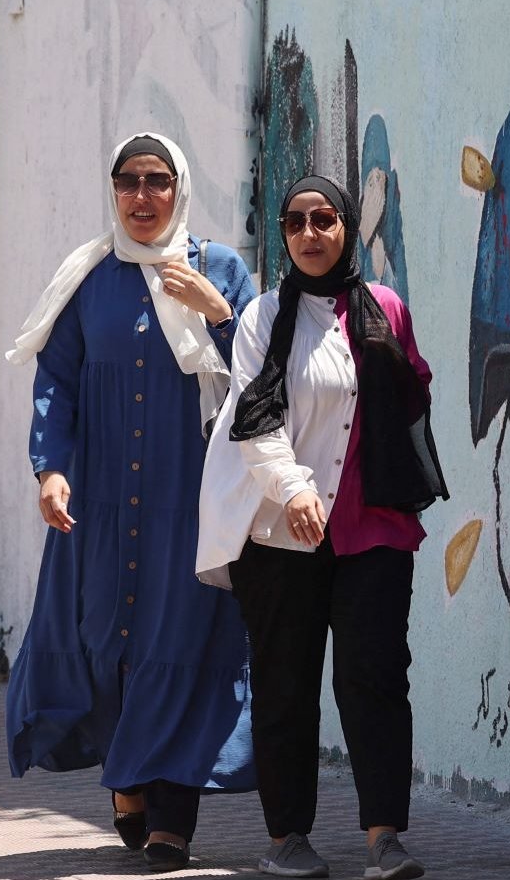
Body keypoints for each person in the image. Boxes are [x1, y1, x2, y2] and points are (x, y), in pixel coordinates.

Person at [3, 132, 257, 872]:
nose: (142, 196)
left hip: (191, 500)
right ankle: (128, 777)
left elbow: (262, 370)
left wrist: (218, 310)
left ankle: (173, 816)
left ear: (180, 188)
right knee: (105, 637)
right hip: (101, 500)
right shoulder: (88, 277)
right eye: (128, 181)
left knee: (182, 641)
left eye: (157, 180)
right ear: (113, 190)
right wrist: (50, 469)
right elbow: (55, 379)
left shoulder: (220, 268)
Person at [196, 176, 442, 880]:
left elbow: (411, 392)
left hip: (374, 528)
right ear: (283, 233)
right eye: (296, 221)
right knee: (286, 685)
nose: (310, 233)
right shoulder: (263, 317)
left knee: (376, 679)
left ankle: (384, 838)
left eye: (325, 219)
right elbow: (254, 416)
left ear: (346, 228)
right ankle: (287, 837)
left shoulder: (386, 308)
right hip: (282, 533)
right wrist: (295, 488)